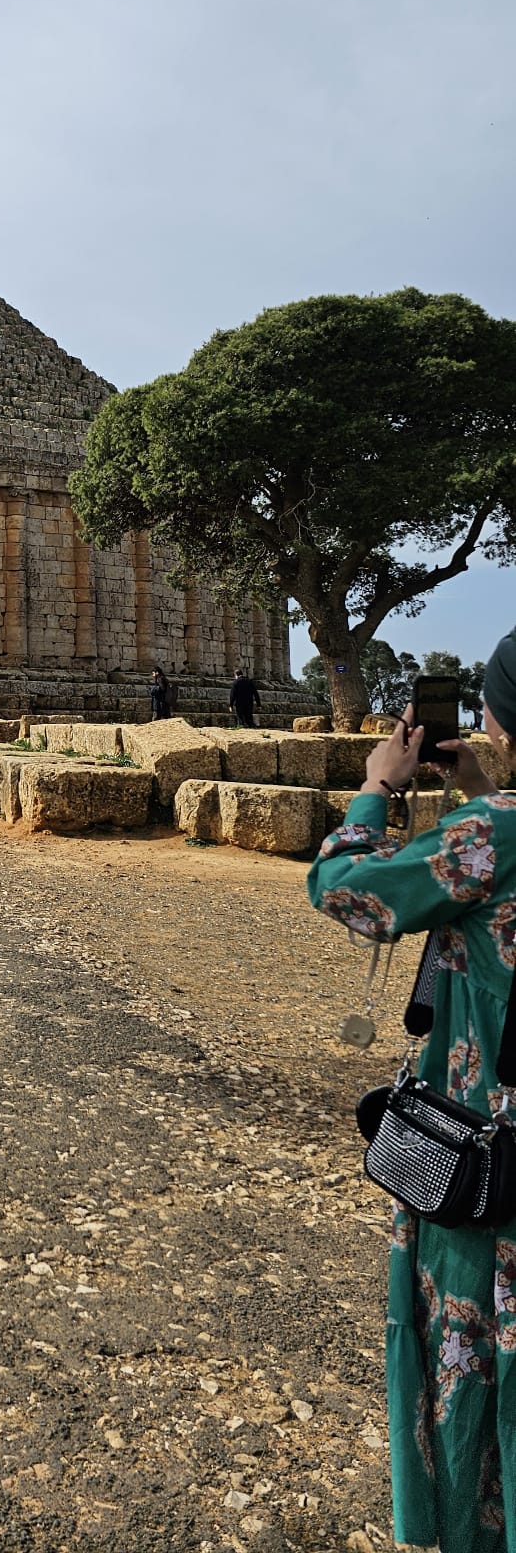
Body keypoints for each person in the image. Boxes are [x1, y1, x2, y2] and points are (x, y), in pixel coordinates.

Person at [306, 624, 516, 1553]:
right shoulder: (491, 826)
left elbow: (348, 888)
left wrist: (376, 788)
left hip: (493, 1153)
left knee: (479, 1348)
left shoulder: (491, 837)